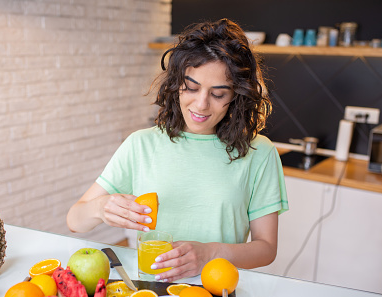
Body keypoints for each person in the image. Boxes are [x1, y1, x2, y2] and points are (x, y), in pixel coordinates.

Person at [67, 18, 288, 282]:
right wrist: (100, 208)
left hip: (216, 292)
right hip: (150, 293)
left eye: (218, 94)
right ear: (175, 84)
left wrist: (210, 253)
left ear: (236, 95)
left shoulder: (259, 152)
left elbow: (265, 249)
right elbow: (74, 220)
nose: (201, 104)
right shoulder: (141, 144)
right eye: (191, 88)